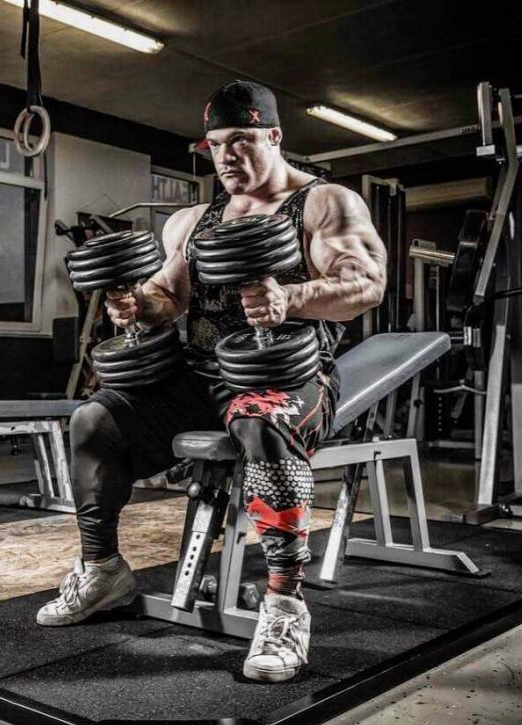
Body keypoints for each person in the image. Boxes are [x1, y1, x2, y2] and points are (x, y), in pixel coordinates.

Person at [37, 80, 387, 683]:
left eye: (243, 141)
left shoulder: (325, 202)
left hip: (286, 372)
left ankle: (284, 604)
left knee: (264, 420)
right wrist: (138, 307)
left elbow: (365, 284)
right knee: (93, 418)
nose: (227, 157)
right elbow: (169, 294)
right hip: (199, 375)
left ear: (275, 137)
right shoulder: (194, 220)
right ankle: (103, 571)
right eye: (218, 145)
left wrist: (293, 295)